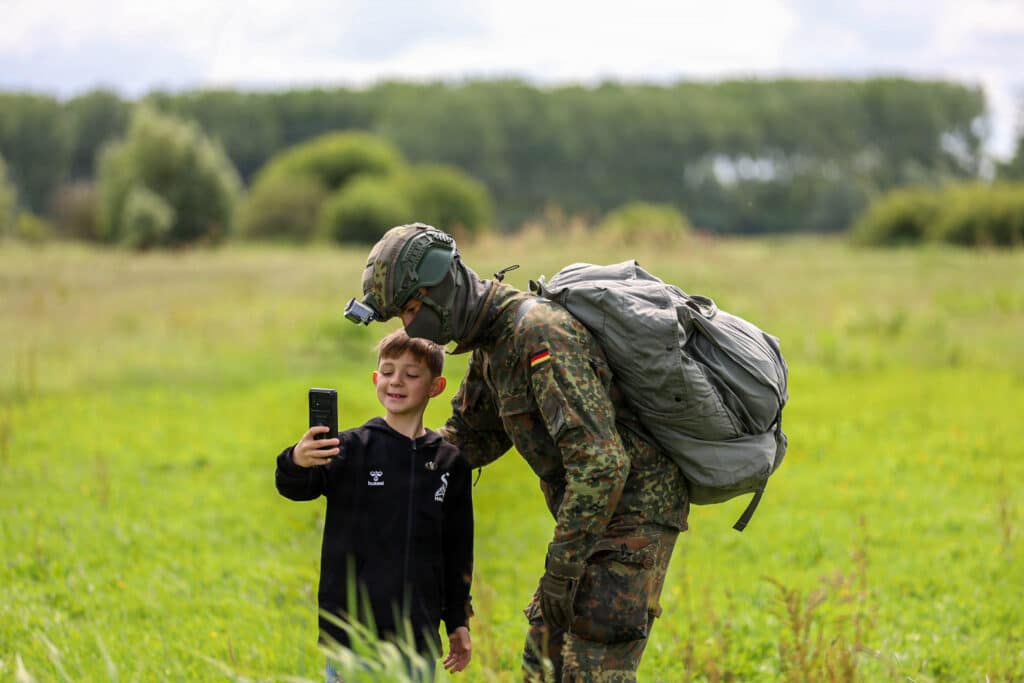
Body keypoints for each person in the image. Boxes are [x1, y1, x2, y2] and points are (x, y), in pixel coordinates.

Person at [344, 223, 689, 682]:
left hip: (630, 521)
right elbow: (467, 438)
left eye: (408, 310)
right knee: (541, 670)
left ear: (440, 290)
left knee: (589, 671)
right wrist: (369, 457)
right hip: (589, 524)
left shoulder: (537, 335)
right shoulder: (492, 342)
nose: (409, 328)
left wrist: (561, 573)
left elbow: (603, 465)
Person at [275, 328, 474, 681]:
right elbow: (297, 487)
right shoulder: (350, 448)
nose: (396, 382)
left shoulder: (449, 463)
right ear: (375, 379)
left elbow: (457, 550)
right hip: (355, 634)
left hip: (418, 638)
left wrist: (457, 620)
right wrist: (296, 460)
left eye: (411, 375)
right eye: (387, 372)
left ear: (435, 387)